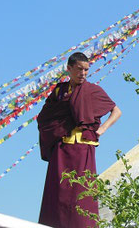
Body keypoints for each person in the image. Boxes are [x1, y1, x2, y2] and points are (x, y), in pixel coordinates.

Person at [37, 52, 122, 228]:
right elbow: (45, 118)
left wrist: (101, 130)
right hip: (61, 150)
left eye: (86, 70)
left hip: (83, 149)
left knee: (81, 195)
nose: (83, 73)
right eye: (79, 69)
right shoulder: (60, 92)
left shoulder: (92, 90)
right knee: (57, 194)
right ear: (69, 69)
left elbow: (117, 111)